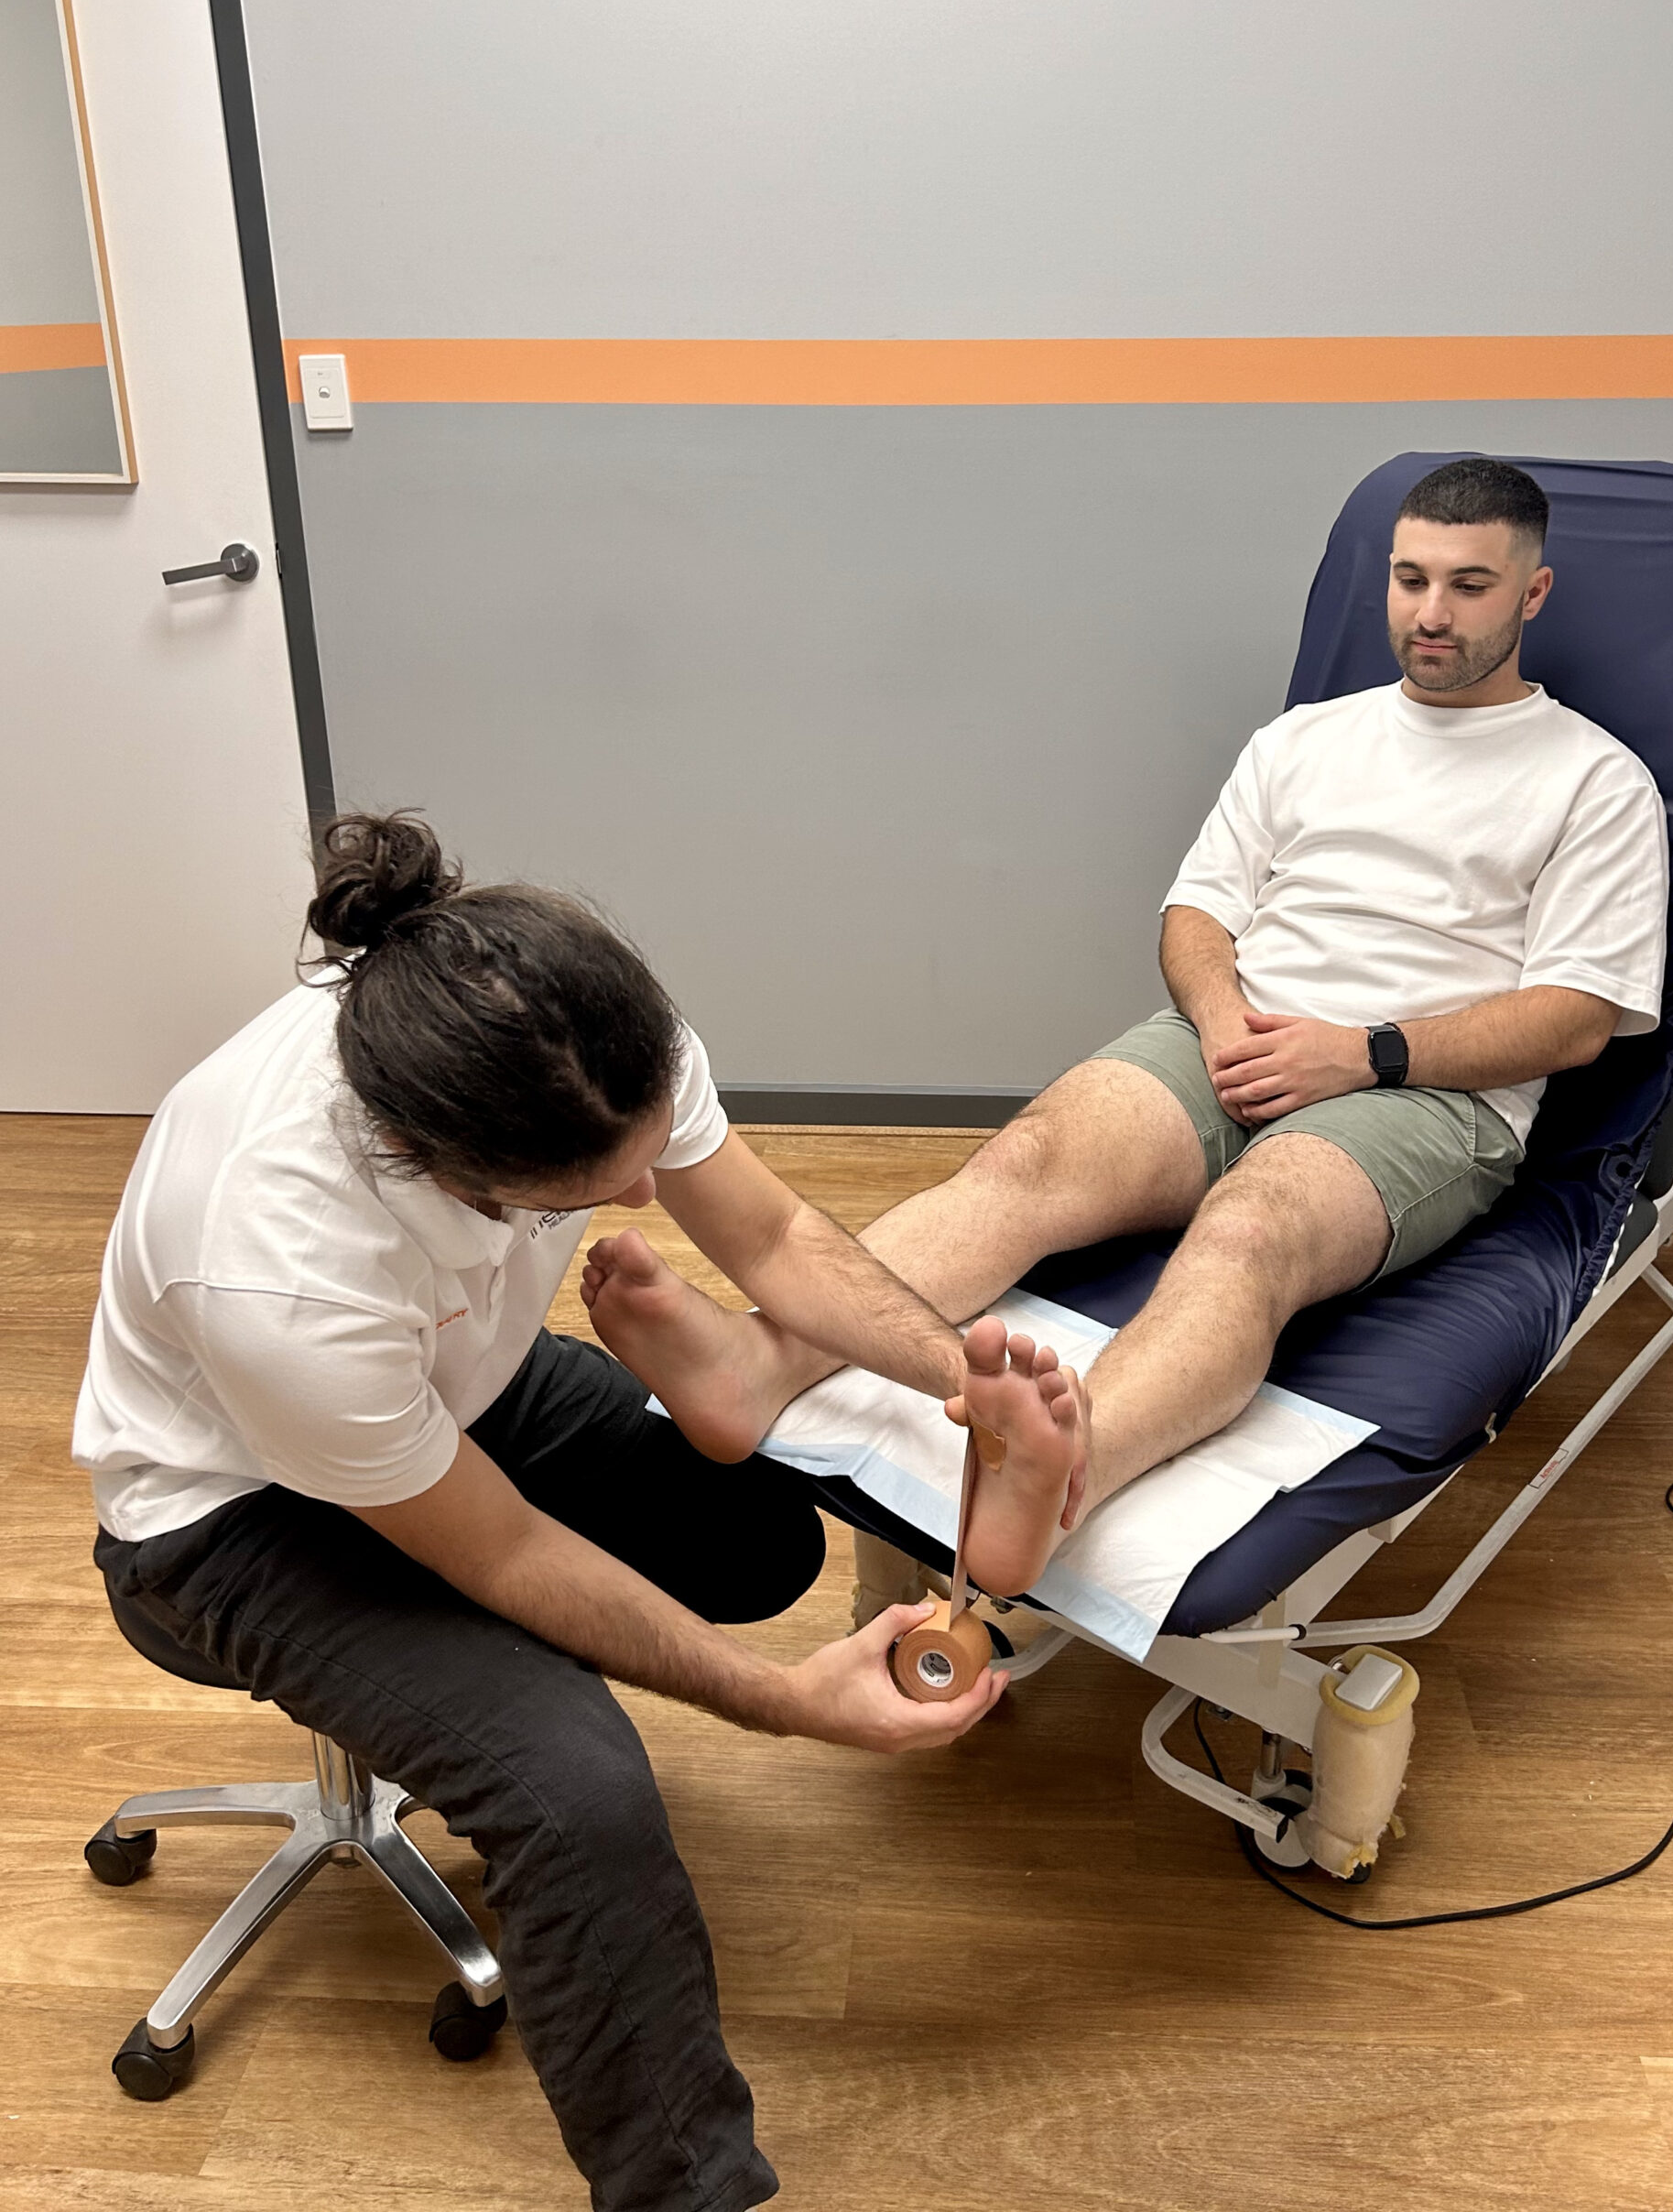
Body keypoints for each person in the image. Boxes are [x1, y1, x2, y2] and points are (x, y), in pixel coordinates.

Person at [72, 813, 1078, 2212]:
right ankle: (684, 2192)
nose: (654, 1192)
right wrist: (784, 1706)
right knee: (578, 1793)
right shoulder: (277, 1264)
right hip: (229, 1517)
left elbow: (776, 1235)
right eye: (604, 1195)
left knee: (757, 1536)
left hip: (443, 1390)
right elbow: (504, 1549)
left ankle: (710, 1391)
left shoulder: (587, 1036)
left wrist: (962, 1384)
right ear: (442, 1167)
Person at [581, 456, 1671, 1600]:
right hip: (1230, 1039)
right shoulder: (1303, 741)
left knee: (1249, 1233)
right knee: (1029, 1159)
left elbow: (1576, 1017)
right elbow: (1198, 913)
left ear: (1531, 595)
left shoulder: (1594, 782)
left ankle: (1055, 1480)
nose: (1431, 614)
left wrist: (1360, 1052)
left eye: (1469, 585)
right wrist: (1218, 1021)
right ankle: (756, 1366)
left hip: (1423, 1090)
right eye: (1409, 580)